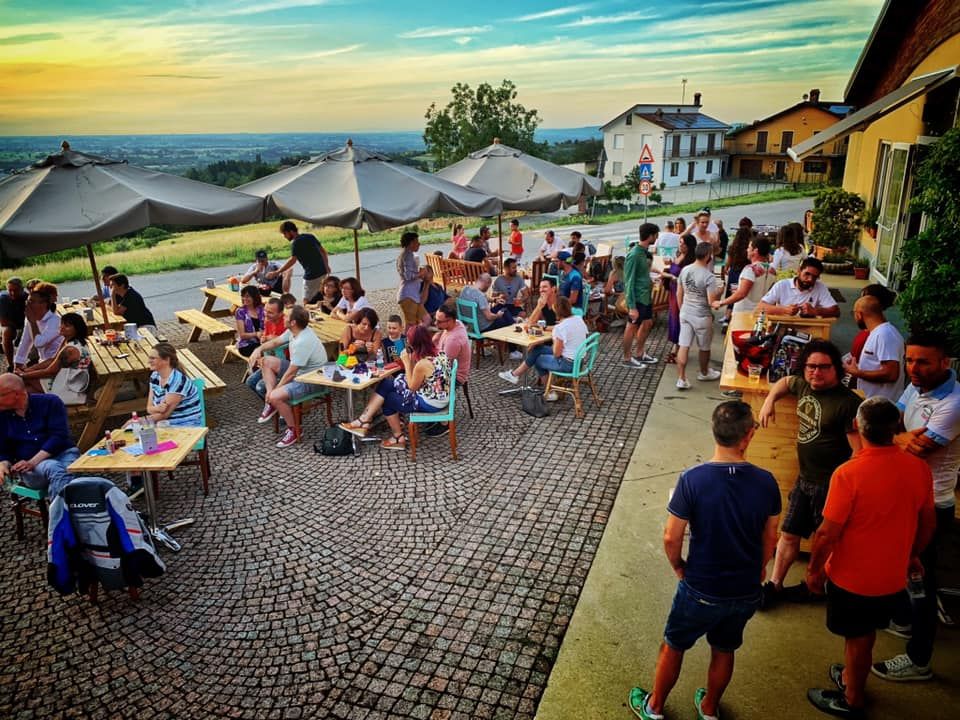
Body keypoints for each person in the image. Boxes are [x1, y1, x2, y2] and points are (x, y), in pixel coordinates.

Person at [628, 401, 780, 720]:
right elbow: (771, 538)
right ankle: (709, 709)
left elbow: (671, 537)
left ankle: (654, 707)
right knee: (724, 649)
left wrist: (679, 567)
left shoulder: (692, 479)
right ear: (749, 435)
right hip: (745, 589)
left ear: (714, 431)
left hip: (701, 587)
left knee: (674, 645)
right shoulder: (767, 482)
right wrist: (759, 568)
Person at [804, 397, 935, 718]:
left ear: (857, 427)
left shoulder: (848, 474)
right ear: (896, 429)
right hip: (892, 577)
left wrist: (814, 570)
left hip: (853, 578)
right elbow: (927, 521)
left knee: (858, 638)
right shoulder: (918, 468)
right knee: (864, 634)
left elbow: (826, 533)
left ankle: (852, 698)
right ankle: (851, 674)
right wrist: (913, 555)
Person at [873, 331, 960, 683]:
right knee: (902, 567)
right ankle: (904, 621)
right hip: (906, 495)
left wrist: (892, 438)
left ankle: (919, 659)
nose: (913, 367)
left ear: (945, 363)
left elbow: (915, 449)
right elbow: (891, 418)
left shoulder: (953, 404)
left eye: (923, 361)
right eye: (910, 359)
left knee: (922, 580)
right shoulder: (917, 386)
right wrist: (898, 435)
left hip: (931, 504)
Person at [759, 339, 862, 606]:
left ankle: (816, 587)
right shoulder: (804, 385)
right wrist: (769, 400)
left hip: (830, 486)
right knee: (789, 533)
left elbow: (858, 451)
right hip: (804, 479)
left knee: (826, 541)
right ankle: (775, 585)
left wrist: (844, 488)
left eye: (823, 367)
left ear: (837, 369)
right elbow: (785, 383)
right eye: (810, 367)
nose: (816, 372)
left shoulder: (848, 403)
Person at [340, 324, 450, 450]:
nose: (406, 342)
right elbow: (426, 378)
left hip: (430, 403)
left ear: (414, 343)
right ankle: (363, 420)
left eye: (408, 340)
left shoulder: (424, 364)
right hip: (439, 396)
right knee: (386, 383)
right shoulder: (440, 353)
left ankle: (397, 437)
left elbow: (412, 387)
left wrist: (407, 363)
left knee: (388, 399)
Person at [248, 305, 328, 448]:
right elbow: (276, 342)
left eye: (286, 316)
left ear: (293, 322)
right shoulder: (293, 332)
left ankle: (295, 430)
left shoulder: (302, 341)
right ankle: (270, 404)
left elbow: (291, 373)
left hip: (313, 379)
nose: (283, 317)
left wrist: (273, 392)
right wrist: (258, 349)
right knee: (266, 361)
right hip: (300, 372)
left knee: (275, 396)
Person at [0, 373, 80, 498]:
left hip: (64, 455)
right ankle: (67, 515)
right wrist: (3, 464)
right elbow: (3, 449)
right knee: (55, 469)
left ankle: (64, 515)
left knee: (64, 475)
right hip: (33, 470)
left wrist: (32, 462)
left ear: (15, 394)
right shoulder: (2, 416)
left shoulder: (50, 402)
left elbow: (59, 436)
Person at [497, 297, 587, 401]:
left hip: (568, 364)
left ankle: (550, 393)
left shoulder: (560, 328)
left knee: (538, 360)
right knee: (538, 349)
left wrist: (554, 339)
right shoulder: (578, 319)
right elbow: (566, 331)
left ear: (556, 311)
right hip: (578, 360)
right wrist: (544, 330)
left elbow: (556, 353)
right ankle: (514, 374)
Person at [16, 312, 91, 404]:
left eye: (67, 326)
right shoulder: (70, 341)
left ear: (77, 330)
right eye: (62, 323)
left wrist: (23, 375)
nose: (62, 327)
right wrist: (28, 370)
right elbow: (52, 360)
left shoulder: (70, 350)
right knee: (25, 389)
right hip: (68, 380)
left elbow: (50, 371)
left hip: (67, 388)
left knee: (21, 381)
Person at [675, 242, 721, 389]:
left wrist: (682, 309)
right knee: (704, 347)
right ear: (708, 256)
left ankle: (681, 378)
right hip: (702, 316)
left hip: (686, 312)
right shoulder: (709, 276)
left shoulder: (685, 270)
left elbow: (679, 293)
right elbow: (711, 301)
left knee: (684, 345)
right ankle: (704, 372)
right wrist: (721, 290)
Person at [842, 296, 904, 401]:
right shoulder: (877, 333)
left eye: (854, 314)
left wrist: (857, 372)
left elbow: (891, 374)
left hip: (882, 404)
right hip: (872, 401)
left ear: (859, 314)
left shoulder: (884, 335)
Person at [711, 236, 778, 315]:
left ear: (755, 251)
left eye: (749, 247)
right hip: (761, 312)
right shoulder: (772, 270)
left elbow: (742, 294)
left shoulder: (750, 269)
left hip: (744, 312)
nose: (747, 250)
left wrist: (721, 303)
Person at [622, 223, 659, 369]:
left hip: (645, 296)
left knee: (648, 323)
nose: (657, 238)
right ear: (650, 236)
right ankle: (626, 358)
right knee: (631, 326)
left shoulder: (643, 252)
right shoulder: (634, 254)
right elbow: (628, 281)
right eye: (656, 235)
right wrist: (631, 306)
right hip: (637, 297)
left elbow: (641, 274)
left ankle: (640, 353)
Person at [756, 257, 840, 318]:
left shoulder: (820, 287)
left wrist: (815, 311)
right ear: (799, 271)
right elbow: (760, 307)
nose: (810, 279)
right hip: (783, 327)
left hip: (809, 330)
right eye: (807, 274)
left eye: (814, 277)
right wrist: (785, 310)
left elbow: (836, 311)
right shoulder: (782, 285)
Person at [269, 220, 329, 304]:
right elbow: (323, 251)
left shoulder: (296, 243)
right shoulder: (310, 236)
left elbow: (292, 260)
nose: (284, 236)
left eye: (285, 234)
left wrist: (277, 272)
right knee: (321, 297)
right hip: (323, 272)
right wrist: (327, 267)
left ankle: (306, 316)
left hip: (311, 276)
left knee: (306, 301)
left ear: (291, 232)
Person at [145, 342, 204, 427]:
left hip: (186, 427)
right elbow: (149, 409)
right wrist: (157, 408)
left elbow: (164, 415)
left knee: (137, 433)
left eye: (153, 358)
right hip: (164, 424)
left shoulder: (177, 382)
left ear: (166, 360)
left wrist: (137, 421)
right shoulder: (155, 376)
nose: (148, 361)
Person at [660, 236, 696, 365]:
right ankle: (676, 348)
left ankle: (679, 350)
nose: (680, 245)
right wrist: (669, 266)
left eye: (682, 243)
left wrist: (668, 275)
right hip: (673, 292)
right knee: (673, 319)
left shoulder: (690, 261)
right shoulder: (679, 255)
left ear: (688, 246)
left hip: (680, 293)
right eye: (680, 242)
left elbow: (684, 279)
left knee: (678, 320)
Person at [245, 297, 287, 400]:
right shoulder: (268, 321)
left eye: (270, 312)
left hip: (284, 363)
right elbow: (265, 338)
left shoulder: (287, 322)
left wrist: (269, 338)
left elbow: (286, 339)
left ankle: (279, 405)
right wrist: (263, 338)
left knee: (260, 387)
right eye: (265, 310)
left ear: (281, 313)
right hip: (269, 359)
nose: (266, 314)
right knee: (250, 382)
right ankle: (273, 404)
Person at [13, 288, 61, 370]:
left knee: (22, 378)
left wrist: (33, 322)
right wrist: (17, 365)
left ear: (44, 304)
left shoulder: (55, 321)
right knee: (13, 378)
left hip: (57, 364)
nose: (27, 304)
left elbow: (39, 343)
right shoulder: (31, 319)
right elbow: (25, 342)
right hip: (43, 363)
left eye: (31, 301)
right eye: (27, 301)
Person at [849, 284, 897, 362]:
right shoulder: (886, 331)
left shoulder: (877, 335)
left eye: (864, 298)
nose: (860, 301)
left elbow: (891, 371)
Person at [433, 303, 471, 386]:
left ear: (450, 320)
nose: (435, 323)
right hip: (447, 365)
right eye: (435, 319)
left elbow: (442, 366)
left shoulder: (453, 340)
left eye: (439, 321)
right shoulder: (457, 323)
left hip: (454, 377)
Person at [397, 231, 428, 327]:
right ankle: (410, 341)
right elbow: (408, 275)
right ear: (411, 243)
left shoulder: (404, 254)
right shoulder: (408, 255)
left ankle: (419, 339)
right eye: (417, 241)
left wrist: (418, 272)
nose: (419, 244)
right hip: (408, 295)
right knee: (412, 324)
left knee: (426, 319)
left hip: (412, 295)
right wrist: (421, 273)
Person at [0, 277, 26, 371]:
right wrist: (17, 331)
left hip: (24, 322)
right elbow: (3, 321)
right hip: (9, 323)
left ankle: (34, 359)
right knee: (7, 333)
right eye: (10, 290)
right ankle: (11, 364)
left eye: (16, 290)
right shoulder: (3, 299)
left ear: (22, 289)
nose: (13, 293)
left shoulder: (26, 297)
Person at [234, 285, 265, 358]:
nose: (244, 298)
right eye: (243, 296)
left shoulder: (262, 309)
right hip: (247, 345)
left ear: (255, 297)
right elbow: (242, 335)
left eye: (247, 296)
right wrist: (256, 334)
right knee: (265, 352)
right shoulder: (240, 311)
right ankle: (255, 368)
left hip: (263, 341)